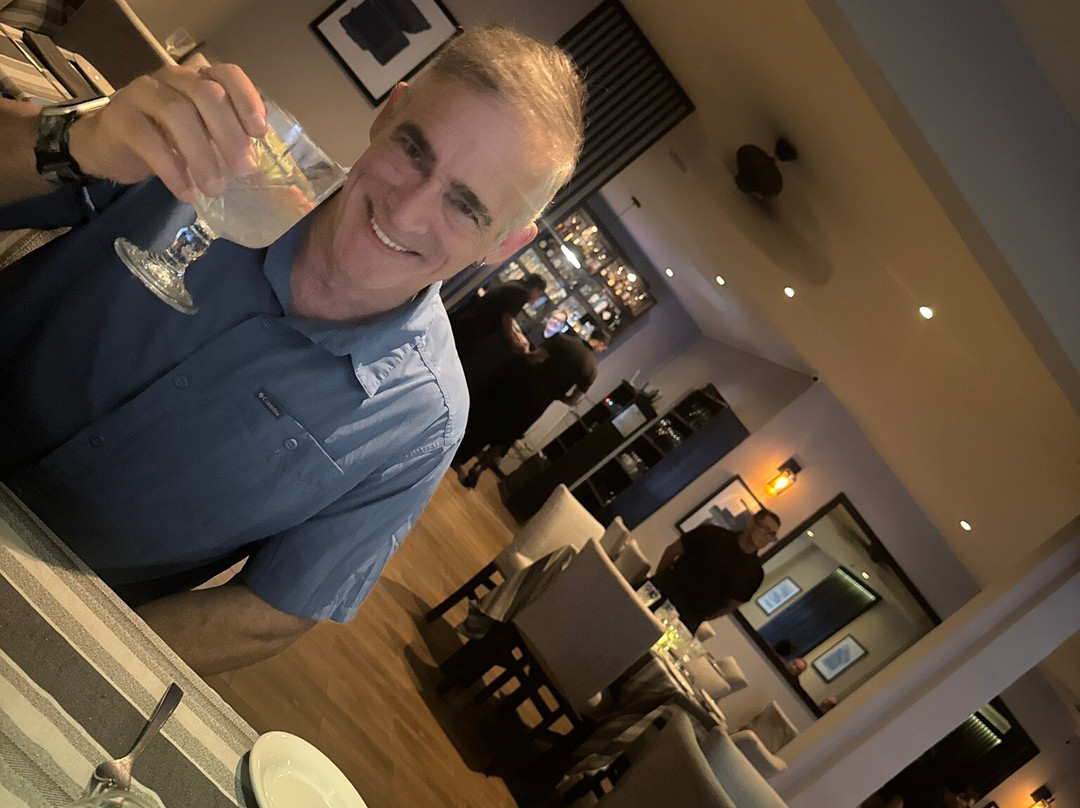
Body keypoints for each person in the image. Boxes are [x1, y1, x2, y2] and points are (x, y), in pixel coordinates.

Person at [0, 25, 585, 674]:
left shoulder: (425, 421)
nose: (407, 213)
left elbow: (271, 610)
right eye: (414, 150)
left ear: (504, 244)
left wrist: (60, 657)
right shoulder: (218, 155)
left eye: (466, 207)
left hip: (57, 612)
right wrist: (76, 140)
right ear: (390, 112)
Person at [453, 331, 596, 488]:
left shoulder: (564, 340)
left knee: (491, 419)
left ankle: (459, 456)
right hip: (540, 402)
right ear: (601, 346)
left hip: (523, 385)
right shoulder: (591, 370)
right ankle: (479, 469)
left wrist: (525, 350)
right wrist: (557, 395)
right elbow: (573, 400)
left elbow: (535, 357)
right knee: (507, 436)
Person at [649, 509, 781, 632]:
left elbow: (730, 606)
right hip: (663, 592)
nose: (766, 536)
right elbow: (673, 550)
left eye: (772, 534)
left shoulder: (755, 575)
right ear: (752, 522)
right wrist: (659, 581)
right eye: (765, 528)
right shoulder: (714, 534)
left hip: (687, 618)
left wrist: (700, 617)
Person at [450, 272, 547, 358]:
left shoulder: (517, 284)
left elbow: (508, 315)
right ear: (535, 290)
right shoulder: (523, 293)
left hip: (471, 318)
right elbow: (507, 318)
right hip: (476, 326)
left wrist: (517, 334)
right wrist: (515, 341)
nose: (538, 298)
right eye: (540, 294)